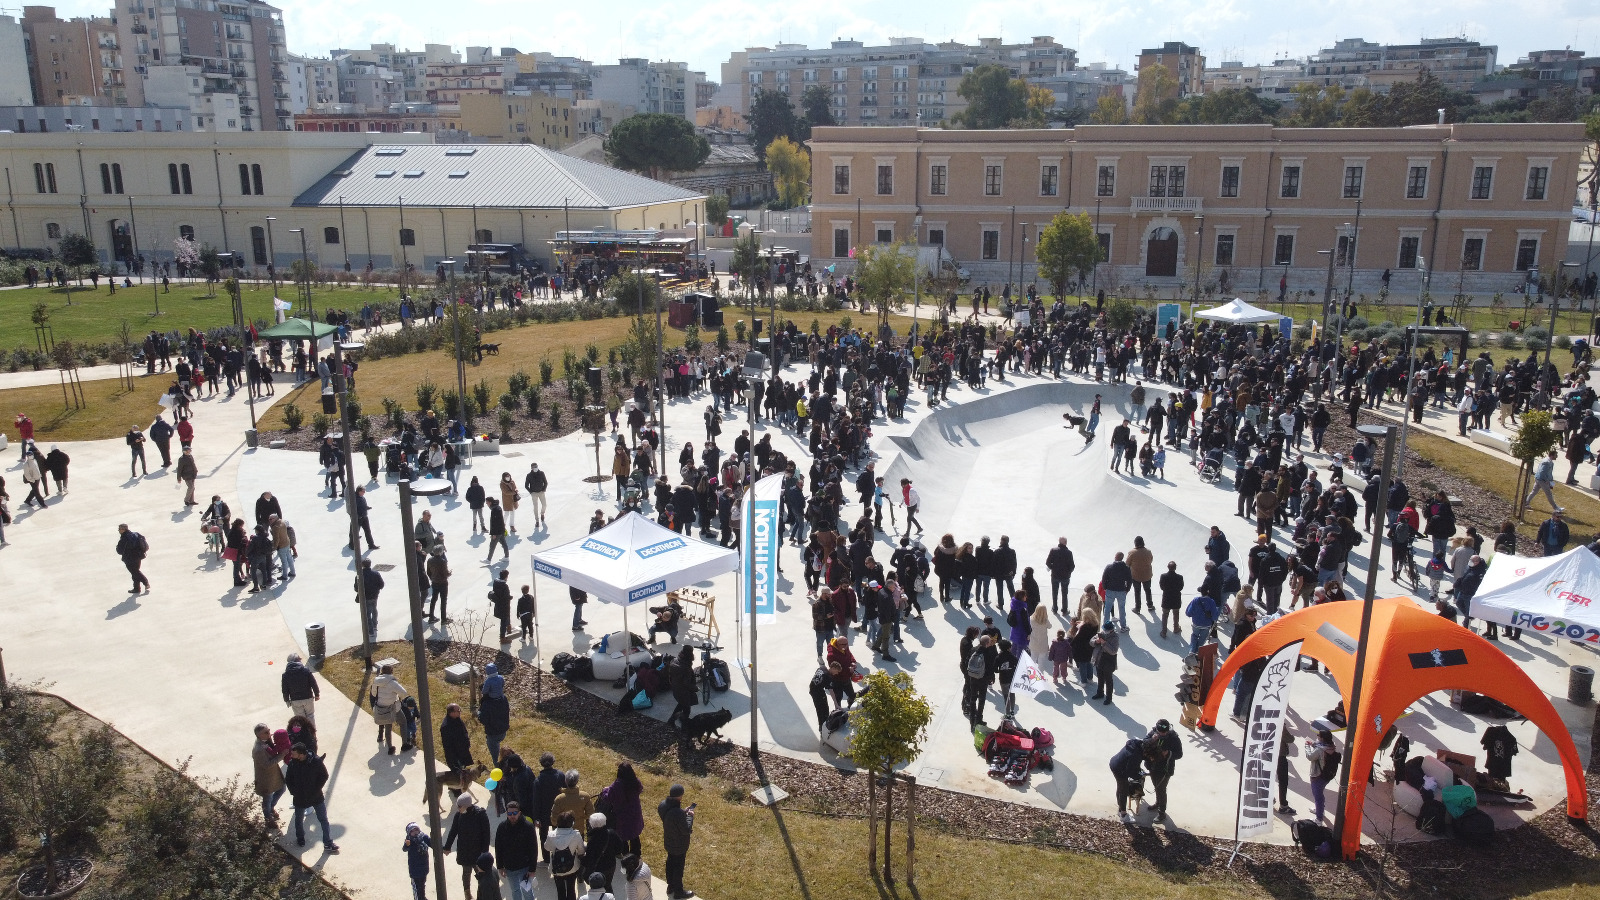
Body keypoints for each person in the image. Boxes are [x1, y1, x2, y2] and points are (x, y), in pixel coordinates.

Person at [283, 742, 339, 852]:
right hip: (300, 797)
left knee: (323, 820)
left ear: (301, 754)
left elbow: (324, 775)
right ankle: (300, 838)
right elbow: (288, 779)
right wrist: (294, 792)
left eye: (294, 754)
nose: (291, 756)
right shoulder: (292, 763)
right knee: (298, 819)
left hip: (315, 796)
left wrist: (316, 789)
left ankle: (328, 843)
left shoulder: (316, 761)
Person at [444, 793, 491, 900]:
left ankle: (481, 895)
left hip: (478, 851)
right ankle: (467, 894)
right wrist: (447, 846)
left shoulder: (480, 815)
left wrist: (485, 852)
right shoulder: (459, 815)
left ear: (467, 805)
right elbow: (453, 831)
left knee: (481, 874)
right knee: (466, 873)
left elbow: (486, 834)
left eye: (460, 806)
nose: (458, 808)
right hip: (464, 850)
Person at [496, 800, 540, 900]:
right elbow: (498, 848)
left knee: (527, 892)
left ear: (519, 813)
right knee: (515, 891)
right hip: (509, 868)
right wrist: (500, 866)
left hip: (525, 867)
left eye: (515, 813)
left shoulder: (528, 827)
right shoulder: (502, 827)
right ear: (506, 813)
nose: (512, 816)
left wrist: (532, 869)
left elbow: (533, 849)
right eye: (510, 813)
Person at [657, 784, 696, 900]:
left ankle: (671, 886)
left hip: (669, 841)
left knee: (670, 863)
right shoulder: (677, 813)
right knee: (678, 868)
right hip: (679, 845)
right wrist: (689, 816)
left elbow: (671, 818)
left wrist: (683, 812)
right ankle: (678, 892)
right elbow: (686, 830)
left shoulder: (662, 805)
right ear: (680, 796)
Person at [1144, 719, 1184, 818]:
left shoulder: (1174, 738)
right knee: (1156, 787)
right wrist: (1152, 740)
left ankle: (1162, 812)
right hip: (1152, 766)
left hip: (1165, 769)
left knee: (1161, 789)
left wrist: (1168, 753)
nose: (1162, 734)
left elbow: (1179, 754)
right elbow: (1144, 743)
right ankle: (1157, 803)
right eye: (1160, 733)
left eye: (1164, 733)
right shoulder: (1153, 733)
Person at [544, 811, 586, 900]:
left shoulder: (551, 835)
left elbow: (547, 848)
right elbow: (581, 851)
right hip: (572, 867)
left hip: (556, 867)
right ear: (572, 823)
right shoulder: (576, 835)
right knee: (571, 890)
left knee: (560, 891)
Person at [252, 723, 286, 828]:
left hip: (274, 774)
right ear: (259, 735)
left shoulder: (266, 741)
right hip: (265, 777)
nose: (269, 734)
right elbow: (267, 764)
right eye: (266, 732)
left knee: (281, 789)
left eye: (269, 730)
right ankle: (268, 819)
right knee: (268, 798)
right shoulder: (258, 749)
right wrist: (282, 755)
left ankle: (271, 808)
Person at [370, 663, 408, 754]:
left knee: (388, 726)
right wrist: (399, 698)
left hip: (381, 707)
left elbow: (374, 694)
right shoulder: (392, 682)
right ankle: (404, 744)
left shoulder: (376, 681)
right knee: (403, 722)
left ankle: (390, 747)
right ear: (391, 671)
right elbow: (404, 692)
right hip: (393, 707)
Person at [478, 663, 511, 762]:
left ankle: (497, 765)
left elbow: (483, 719)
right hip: (504, 729)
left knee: (494, 752)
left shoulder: (487, 704)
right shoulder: (504, 699)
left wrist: (478, 713)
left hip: (493, 733)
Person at [1307, 729, 1341, 821]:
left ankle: (1319, 819)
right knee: (1320, 794)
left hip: (1318, 775)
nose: (1317, 736)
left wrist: (1307, 746)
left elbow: (1310, 756)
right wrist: (1313, 744)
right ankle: (1320, 810)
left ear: (1322, 738)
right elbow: (1321, 749)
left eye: (1318, 735)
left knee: (1318, 796)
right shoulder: (1331, 746)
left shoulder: (1319, 749)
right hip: (1327, 774)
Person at [281, 652, 320, 722]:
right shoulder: (306, 671)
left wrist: (286, 700)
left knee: (301, 719)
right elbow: (313, 683)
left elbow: (285, 690)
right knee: (310, 716)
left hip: (295, 701)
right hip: (308, 698)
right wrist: (317, 694)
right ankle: (312, 732)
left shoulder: (285, 675)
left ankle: (304, 732)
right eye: (299, 658)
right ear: (297, 660)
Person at [116, 522, 151, 593]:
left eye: (119, 529)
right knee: (135, 572)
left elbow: (119, 551)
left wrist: (117, 548)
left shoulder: (124, 538)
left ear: (123, 529)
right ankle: (137, 588)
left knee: (135, 572)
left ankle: (145, 582)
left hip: (129, 558)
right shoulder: (136, 534)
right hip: (139, 556)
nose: (118, 530)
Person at [1090, 621, 1119, 705]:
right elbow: (1091, 641)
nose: (1104, 631)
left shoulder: (1115, 637)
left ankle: (1109, 698)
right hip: (1099, 659)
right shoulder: (1101, 634)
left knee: (1108, 680)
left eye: (1106, 630)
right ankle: (1100, 693)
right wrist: (1096, 641)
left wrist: (1104, 644)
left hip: (1109, 660)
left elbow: (1113, 651)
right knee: (1100, 677)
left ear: (1111, 630)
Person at [404, 822, 432, 900]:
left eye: (416, 830)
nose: (415, 832)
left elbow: (432, 844)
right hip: (414, 871)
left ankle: (422, 898)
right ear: (409, 833)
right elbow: (405, 849)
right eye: (412, 831)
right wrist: (407, 845)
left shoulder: (423, 837)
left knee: (422, 887)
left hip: (423, 869)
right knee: (417, 890)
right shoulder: (409, 840)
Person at [1045, 537, 1074, 613]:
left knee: (1055, 593)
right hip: (1065, 576)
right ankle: (1064, 610)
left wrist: (1053, 568)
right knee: (1064, 593)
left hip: (1055, 575)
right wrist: (1068, 573)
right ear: (1066, 543)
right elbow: (1072, 566)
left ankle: (1055, 608)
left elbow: (1048, 562)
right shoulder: (1069, 553)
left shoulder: (1053, 550)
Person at [525, 463, 549, 528]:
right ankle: (537, 521)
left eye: (536, 466)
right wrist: (531, 492)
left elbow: (545, 482)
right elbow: (526, 485)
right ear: (531, 468)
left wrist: (544, 489)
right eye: (534, 467)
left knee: (544, 505)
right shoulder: (529, 475)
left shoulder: (541, 473)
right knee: (535, 507)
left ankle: (542, 513)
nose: (535, 468)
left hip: (541, 492)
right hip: (534, 493)